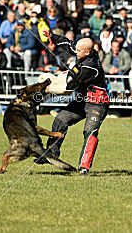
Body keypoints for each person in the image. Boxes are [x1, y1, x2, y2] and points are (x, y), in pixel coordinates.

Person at [39, 32, 110, 176]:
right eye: (77, 50)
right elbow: (69, 44)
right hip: (82, 100)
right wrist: (53, 37)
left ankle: (84, 167)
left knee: (90, 132)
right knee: (60, 120)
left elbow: (68, 86)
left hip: (97, 103)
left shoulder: (90, 67)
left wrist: (46, 86)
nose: (75, 52)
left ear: (87, 52)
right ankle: (51, 154)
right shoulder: (83, 52)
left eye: (79, 51)